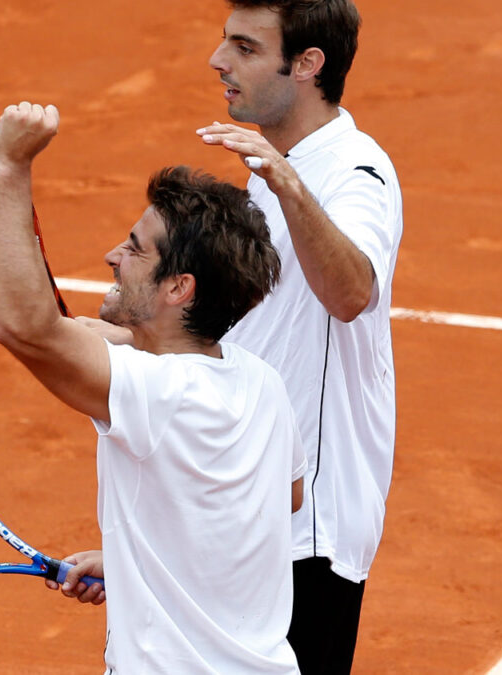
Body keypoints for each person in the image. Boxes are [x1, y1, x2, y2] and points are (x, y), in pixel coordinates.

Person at [0, 101, 307, 674]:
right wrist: (140, 561)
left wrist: (11, 166)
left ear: (179, 288)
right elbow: (283, 500)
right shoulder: (261, 382)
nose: (113, 256)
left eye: (135, 248)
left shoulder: (157, 393)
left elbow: (24, 327)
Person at [198, 1, 405, 672]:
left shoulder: (354, 172)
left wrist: (283, 178)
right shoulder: (273, 172)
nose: (218, 61)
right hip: (249, 511)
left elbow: (350, 293)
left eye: (245, 47)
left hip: (306, 530)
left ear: (308, 64)